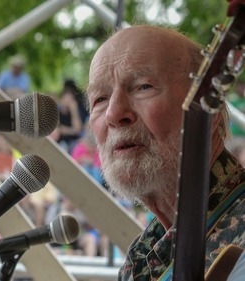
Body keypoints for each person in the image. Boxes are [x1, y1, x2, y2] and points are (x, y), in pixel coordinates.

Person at [86, 1, 245, 280]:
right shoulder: (142, 257)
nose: (113, 114)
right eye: (99, 99)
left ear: (212, 112)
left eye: (143, 86)